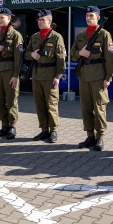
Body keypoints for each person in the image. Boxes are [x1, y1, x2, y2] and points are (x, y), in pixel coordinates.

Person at [70, 6, 113, 151]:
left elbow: (109, 57)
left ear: (98, 17)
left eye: (92, 15)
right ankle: (90, 135)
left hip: (98, 75)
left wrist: (108, 77)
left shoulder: (104, 34)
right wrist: (80, 53)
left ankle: (100, 136)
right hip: (84, 75)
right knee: (86, 107)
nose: (89, 18)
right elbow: (72, 54)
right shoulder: (81, 35)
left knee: (99, 107)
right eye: (87, 15)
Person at [25, 10, 66, 142]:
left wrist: (58, 76)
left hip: (50, 74)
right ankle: (44, 129)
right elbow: (26, 53)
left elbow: (61, 58)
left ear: (49, 21)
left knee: (51, 103)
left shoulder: (56, 37)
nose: (40, 22)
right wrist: (32, 55)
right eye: (38, 20)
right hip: (37, 75)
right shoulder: (34, 37)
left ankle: (53, 130)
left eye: (42, 20)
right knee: (40, 104)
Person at [0, 8, 24, 139]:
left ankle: (12, 126)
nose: (0, 20)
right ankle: (4, 125)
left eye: (2, 17)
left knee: (11, 99)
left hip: (10, 70)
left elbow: (18, 58)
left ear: (9, 18)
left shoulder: (15, 35)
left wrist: (15, 75)